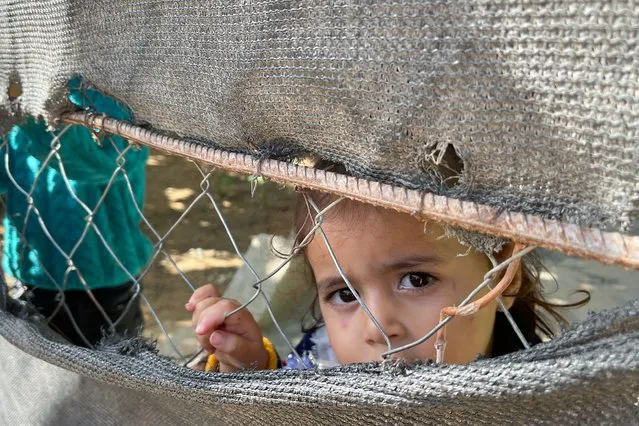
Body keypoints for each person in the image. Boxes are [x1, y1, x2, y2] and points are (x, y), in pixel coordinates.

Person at [186, 165, 586, 372]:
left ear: (500, 278)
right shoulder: (321, 369)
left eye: (416, 280)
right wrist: (253, 364)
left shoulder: (549, 400)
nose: (378, 329)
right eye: (344, 294)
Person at [0, 77, 154, 346]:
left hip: (106, 280)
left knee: (113, 376)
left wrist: (31, 112)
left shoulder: (112, 86)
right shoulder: (15, 86)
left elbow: (104, 162)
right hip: (32, 276)